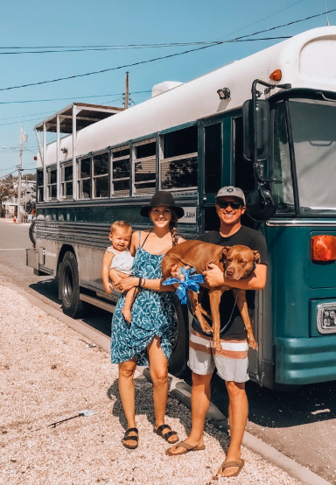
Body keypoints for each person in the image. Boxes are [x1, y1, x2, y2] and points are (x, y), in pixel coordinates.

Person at [167, 186, 268, 480]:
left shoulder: (252, 238)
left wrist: (223, 276)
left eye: (234, 204)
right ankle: (196, 437)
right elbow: (189, 270)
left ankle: (234, 453)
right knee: (199, 381)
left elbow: (260, 281)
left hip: (233, 329)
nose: (228, 208)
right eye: (223, 203)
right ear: (217, 208)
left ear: (242, 209)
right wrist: (178, 275)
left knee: (236, 387)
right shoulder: (207, 239)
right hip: (202, 327)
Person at [110, 191, 185, 450]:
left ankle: (160, 421)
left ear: (172, 215)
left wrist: (139, 281)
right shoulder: (138, 237)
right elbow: (120, 261)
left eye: (166, 211)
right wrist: (114, 277)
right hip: (130, 311)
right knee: (127, 369)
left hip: (160, 313)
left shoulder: (180, 245)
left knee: (160, 374)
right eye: (156, 211)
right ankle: (131, 425)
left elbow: (174, 285)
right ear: (150, 214)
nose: (161, 215)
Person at [102, 220, 136, 322]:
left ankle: (128, 307)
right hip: (120, 278)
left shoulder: (128, 250)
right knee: (133, 288)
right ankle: (126, 308)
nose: (122, 242)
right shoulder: (110, 252)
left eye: (126, 240)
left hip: (130, 275)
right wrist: (106, 282)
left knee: (135, 288)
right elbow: (105, 267)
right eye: (119, 238)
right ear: (111, 237)